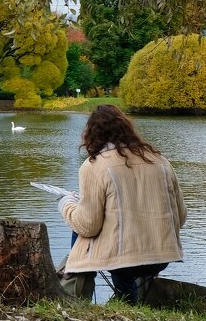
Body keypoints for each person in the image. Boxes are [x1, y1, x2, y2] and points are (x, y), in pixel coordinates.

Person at [57, 104, 187, 303]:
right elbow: (181, 216)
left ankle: (74, 286)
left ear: (91, 134)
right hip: (162, 257)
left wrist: (66, 203)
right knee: (120, 236)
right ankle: (127, 301)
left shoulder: (95, 165)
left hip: (123, 261)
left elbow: (88, 226)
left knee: (80, 227)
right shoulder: (161, 161)